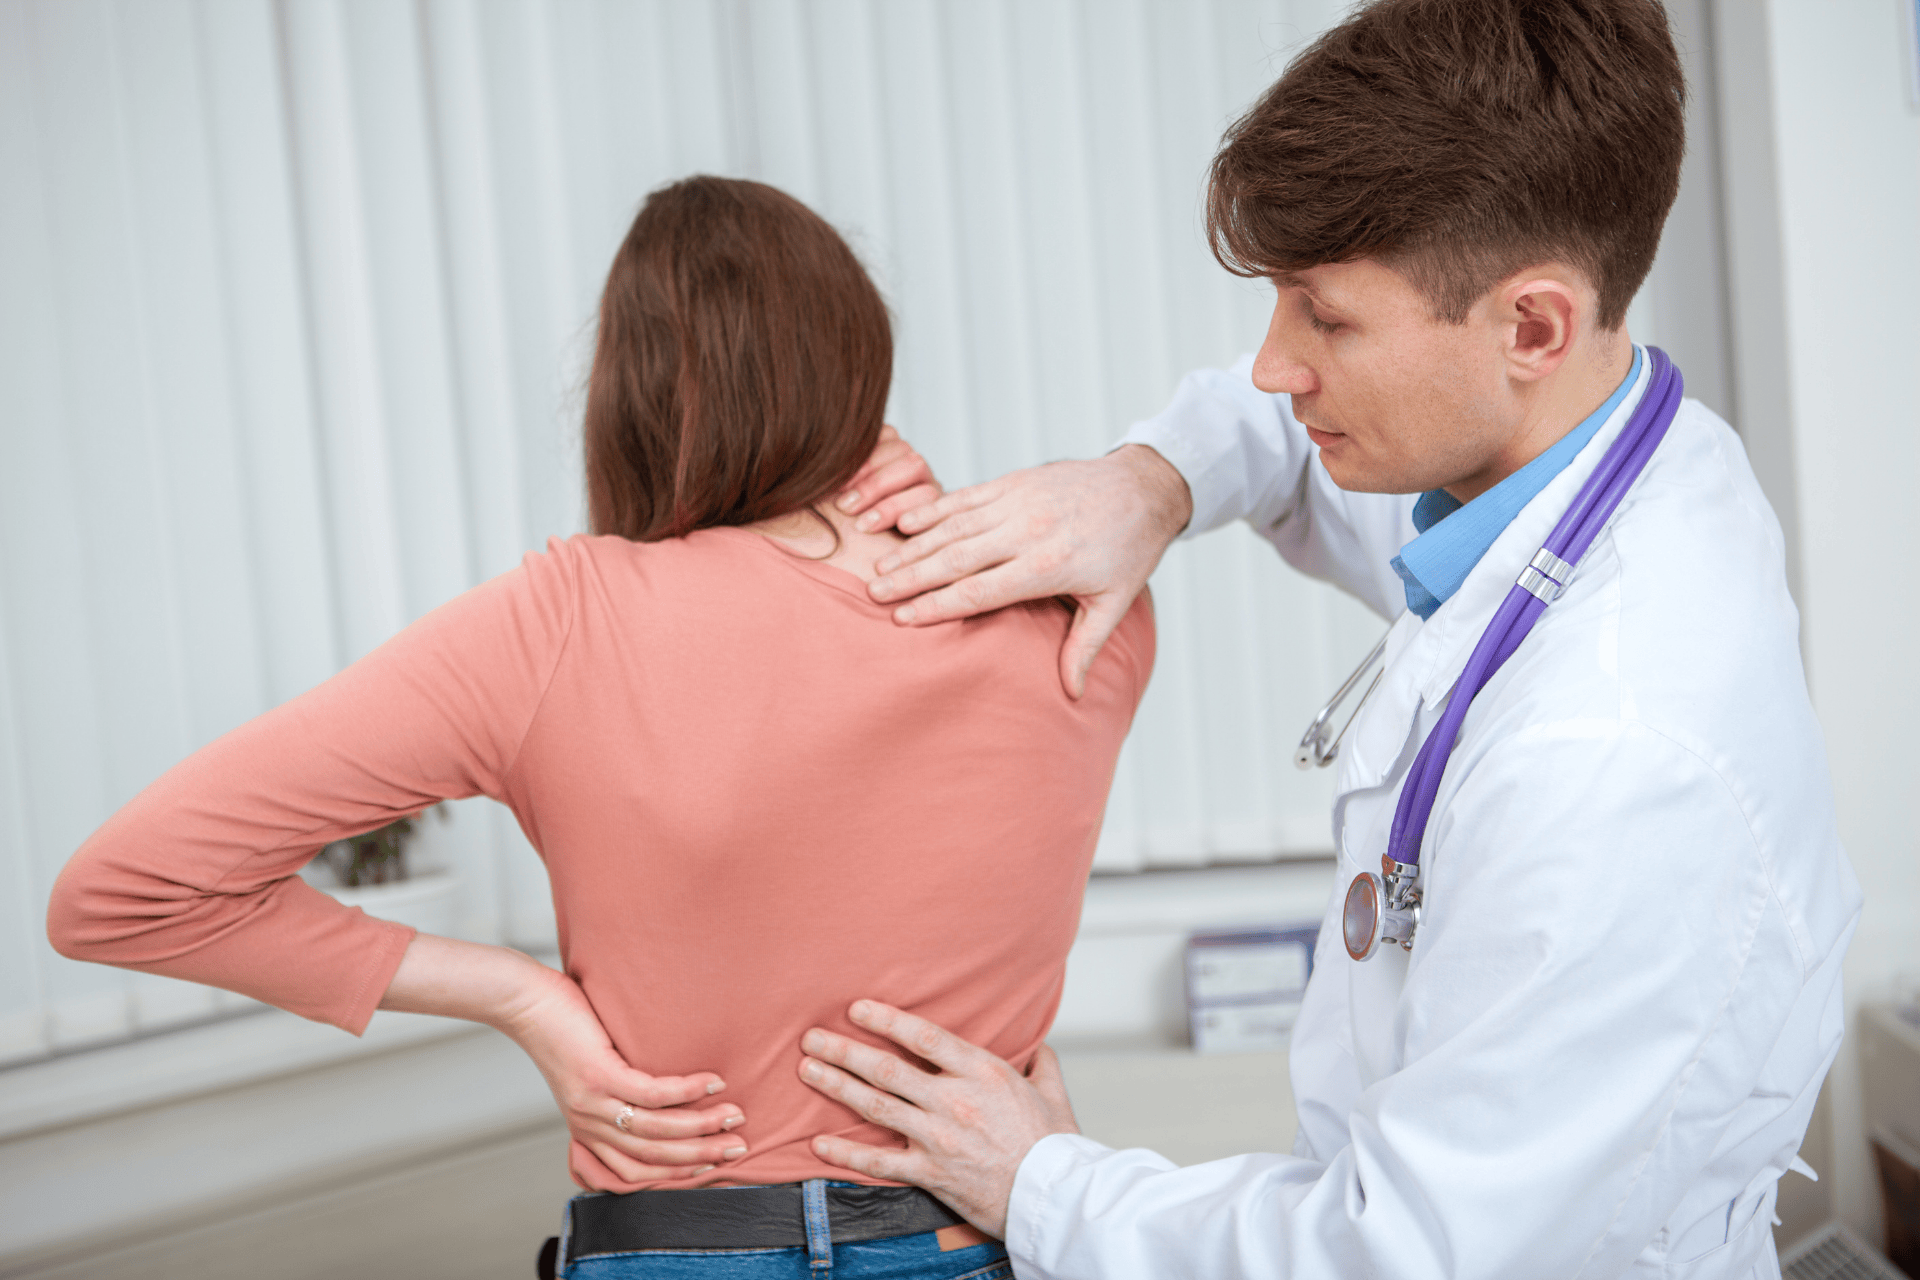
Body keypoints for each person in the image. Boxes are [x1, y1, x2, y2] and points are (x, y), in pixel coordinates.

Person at [790, 2, 1862, 1277]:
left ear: (1533, 326)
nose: (1270, 368)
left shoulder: (1615, 760)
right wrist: (1152, 482)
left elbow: (1409, 1254)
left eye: (1325, 318)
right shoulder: (1614, 448)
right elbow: (1287, 459)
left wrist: (1043, 1184)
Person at [46, 176, 1153, 1280]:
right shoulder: (1093, 620)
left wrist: (523, 997)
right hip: (981, 1244)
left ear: (632, 392)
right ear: (865, 359)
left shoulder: (563, 623)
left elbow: (121, 892)